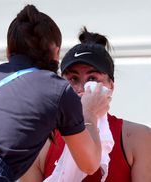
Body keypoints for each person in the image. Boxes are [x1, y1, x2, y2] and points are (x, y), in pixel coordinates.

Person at [0, 5, 112, 182]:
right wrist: (89, 112)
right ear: (56, 52)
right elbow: (89, 164)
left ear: (8, 52)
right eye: (73, 78)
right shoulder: (57, 88)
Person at [20, 27, 151, 182]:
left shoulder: (138, 137)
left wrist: (88, 114)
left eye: (92, 79)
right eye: (73, 79)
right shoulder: (40, 141)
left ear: (110, 87)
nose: (82, 90)